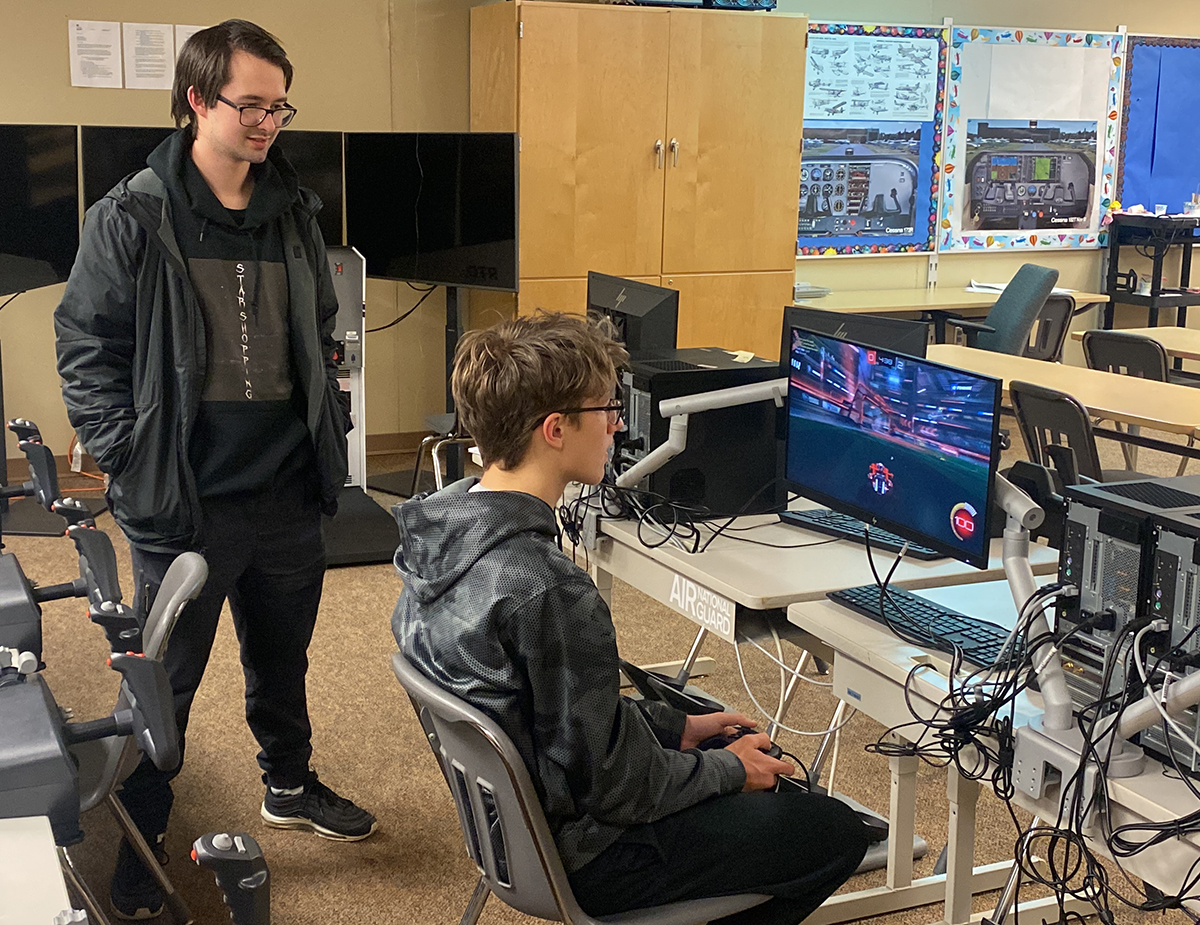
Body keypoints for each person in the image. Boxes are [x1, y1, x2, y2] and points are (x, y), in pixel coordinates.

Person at [391, 312, 869, 924]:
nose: (618, 424)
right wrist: (728, 770)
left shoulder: (436, 535)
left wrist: (676, 728)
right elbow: (616, 787)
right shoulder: (548, 589)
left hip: (513, 835)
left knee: (721, 757)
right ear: (555, 429)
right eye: (606, 409)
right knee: (833, 831)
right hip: (587, 854)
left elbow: (556, 720)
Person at [55, 19, 375, 920]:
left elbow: (319, 330)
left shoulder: (296, 212)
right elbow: (86, 347)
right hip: (184, 501)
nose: (269, 123)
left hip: (286, 491)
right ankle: (144, 833)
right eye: (252, 105)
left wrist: (332, 418)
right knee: (167, 682)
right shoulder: (133, 215)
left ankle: (289, 782)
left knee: (283, 658)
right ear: (197, 100)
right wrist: (128, 458)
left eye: (280, 107)